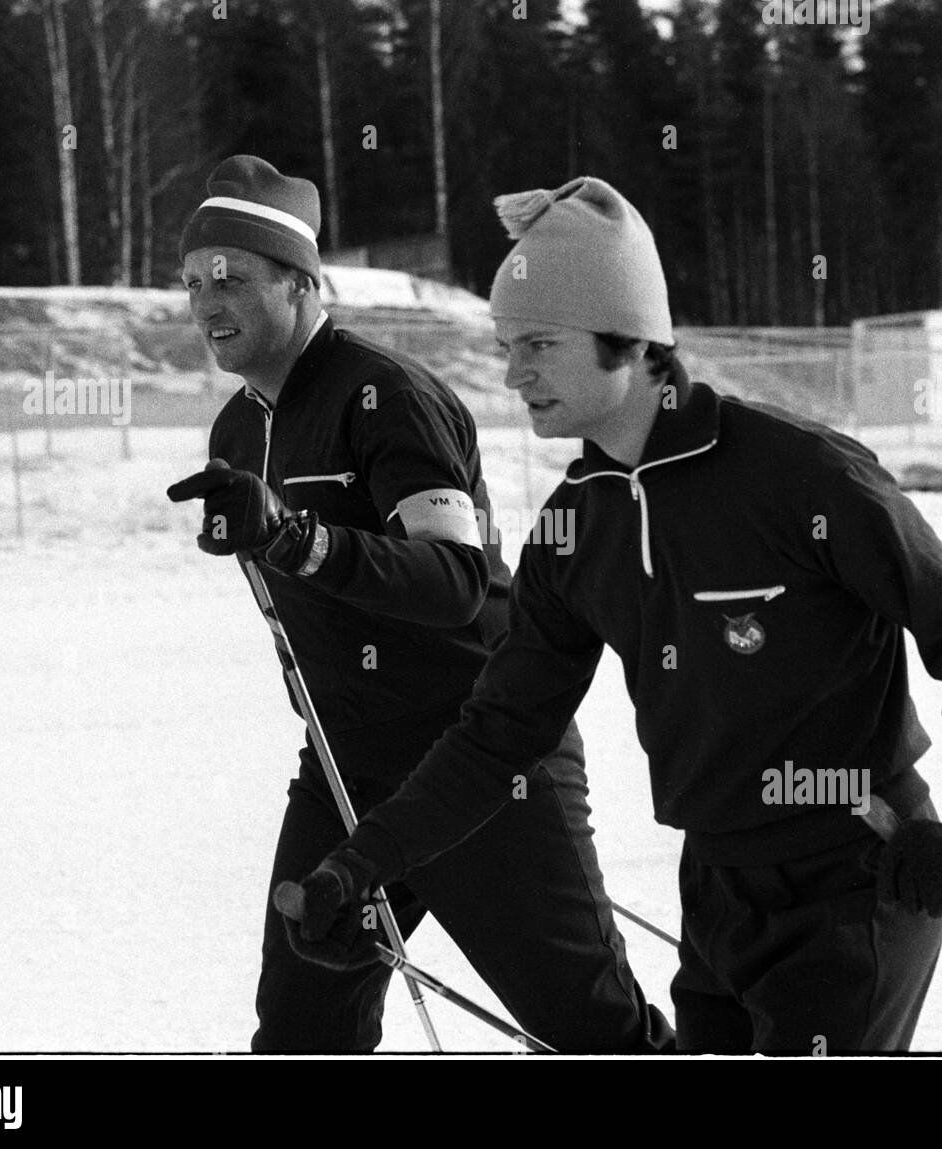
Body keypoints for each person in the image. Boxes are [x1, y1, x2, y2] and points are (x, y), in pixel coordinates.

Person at [281, 176, 942, 1053]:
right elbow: (497, 733)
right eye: (507, 344)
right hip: (716, 886)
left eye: (539, 344)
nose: (513, 371)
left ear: (629, 341)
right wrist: (356, 868)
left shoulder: (798, 474)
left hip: (857, 872)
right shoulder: (572, 524)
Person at [167, 156, 671, 1053]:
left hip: (478, 759)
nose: (208, 301)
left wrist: (298, 540)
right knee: (299, 1029)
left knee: (593, 1032)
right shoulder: (238, 430)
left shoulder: (385, 396)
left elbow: (455, 583)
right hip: (345, 765)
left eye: (233, 277)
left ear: (301, 279)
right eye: (194, 281)